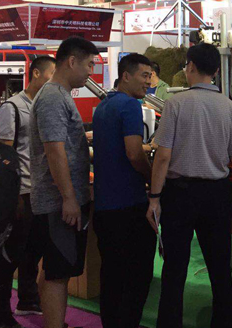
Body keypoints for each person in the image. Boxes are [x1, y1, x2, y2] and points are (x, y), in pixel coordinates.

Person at [147, 43, 232, 328]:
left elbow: (162, 156)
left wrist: (154, 197)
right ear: (215, 71)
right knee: (220, 267)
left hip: (180, 194)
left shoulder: (176, 104)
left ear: (190, 66)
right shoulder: (230, 107)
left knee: (175, 268)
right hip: (217, 194)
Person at [30, 37, 98, 328]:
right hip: (57, 202)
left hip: (60, 199)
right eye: (89, 64)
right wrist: (69, 198)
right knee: (58, 272)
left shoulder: (59, 94)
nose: (91, 72)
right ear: (71, 62)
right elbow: (54, 150)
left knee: (55, 268)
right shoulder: (53, 97)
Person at [0, 55, 56, 328]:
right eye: (52, 74)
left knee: (31, 251)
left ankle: (27, 300)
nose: (54, 80)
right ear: (37, 73)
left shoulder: (43, 106)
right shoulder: (13, 107)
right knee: (6, 257)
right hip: (19, 192)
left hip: (39, 193)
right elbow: (3, 155)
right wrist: (12, 194)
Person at [92, 54, 156, 328]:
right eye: (144, 75)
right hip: (128, 205)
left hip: (104, 206)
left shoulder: (102, 107)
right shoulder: (130, 106)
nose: (148, 81)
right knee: (137, 276)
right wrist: (153, 178)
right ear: (126, 76)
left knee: (112, 276)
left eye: (150, 76)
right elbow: (133, 153)